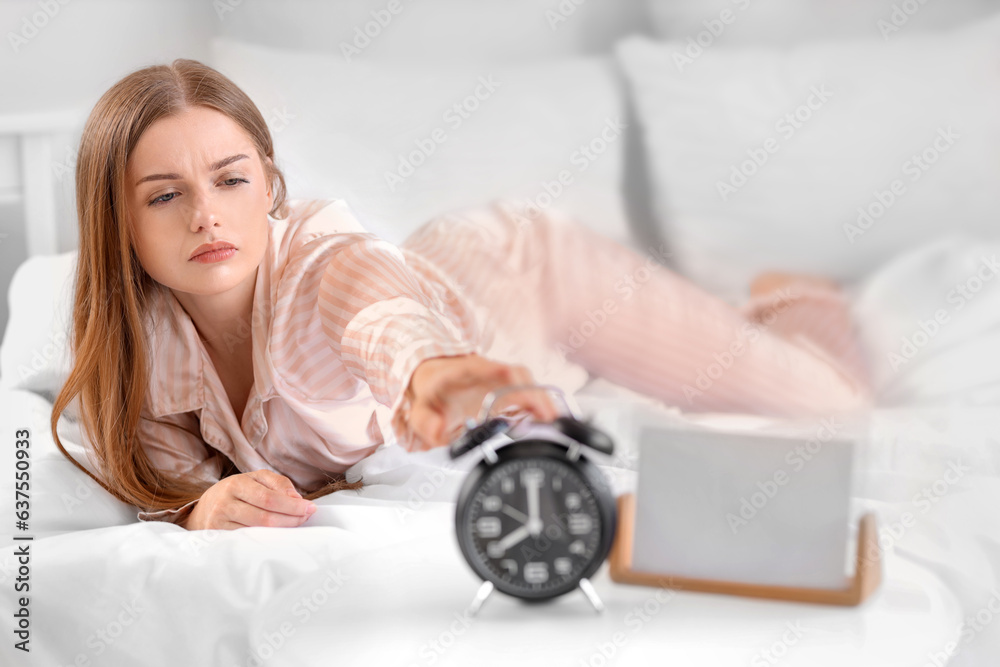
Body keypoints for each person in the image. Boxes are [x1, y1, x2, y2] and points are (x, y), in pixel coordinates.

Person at [50, 59, 872, 531]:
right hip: (506, 351)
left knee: (829, 401)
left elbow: (371, 304)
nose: (206, 214)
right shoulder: (140, 361)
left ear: (268, 184)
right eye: (163, 195)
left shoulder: (316, 271)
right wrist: (202, 510)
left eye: (230, 179)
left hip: (527, 277)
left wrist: (431, 369)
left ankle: (794, 297)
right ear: (117, 222)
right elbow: (178, 489)